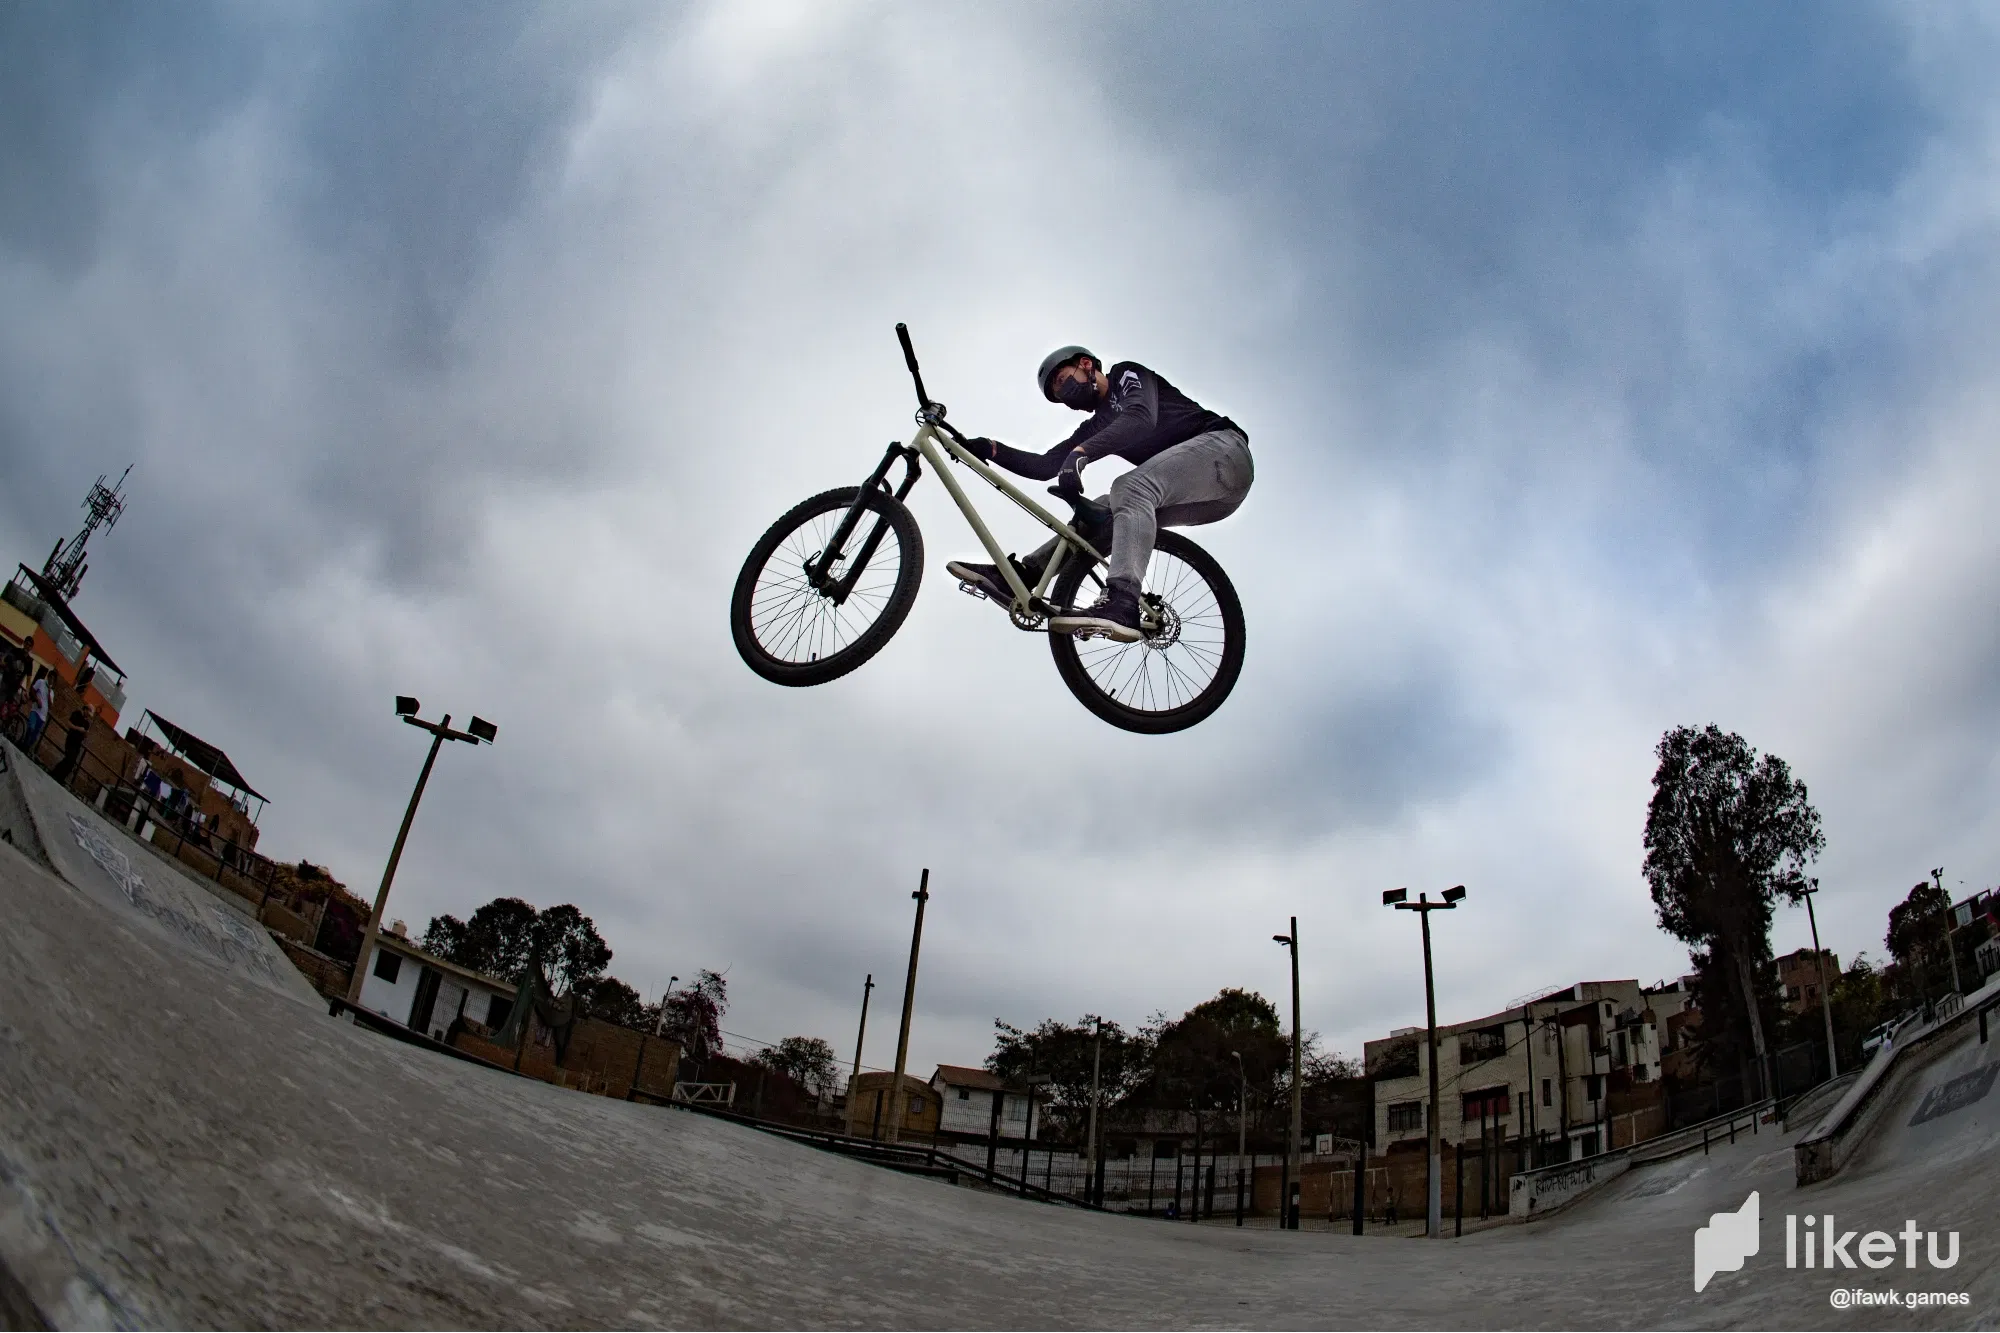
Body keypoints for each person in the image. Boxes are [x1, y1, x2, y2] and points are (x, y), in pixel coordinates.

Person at [945, 345, 1252, 642]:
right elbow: (1045, 465)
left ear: (1086, 364)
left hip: (1225, 455)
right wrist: (990, 448)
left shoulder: (1125, 376)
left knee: (1129, 487)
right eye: (1059, 396)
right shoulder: (1096, 425)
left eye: (1064, 381)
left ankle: (1122, 600)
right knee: (1103, 513)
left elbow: (1142, 417)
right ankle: (1027, 575)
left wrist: (1081, 453)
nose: (1065, 396)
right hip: (1207, 502)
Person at [50, 708, 91, 785]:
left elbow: (85, 736)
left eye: (89, 715)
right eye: (88, 713)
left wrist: (86, 733)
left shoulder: (87, 723)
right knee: (69, 758)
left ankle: (58, 775)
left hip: (78, 744)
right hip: (71, 741)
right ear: (85, 709)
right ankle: (57, 774)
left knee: (71, 762)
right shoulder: (77, 714)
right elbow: (68, 723)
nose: (88, 716)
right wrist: (78, 728)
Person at [23, 668, 51, 752]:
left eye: (53, 680)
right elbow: (33, 690)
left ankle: (26, 748)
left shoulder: (52, 692)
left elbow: (51, 705)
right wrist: (37, 699)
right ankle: (23, 744)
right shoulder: (41, 682)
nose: (51, 680)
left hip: (42, 716)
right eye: (51, 678)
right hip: (35, 711)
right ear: (48, 677)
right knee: (31, 728)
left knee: (35, 736)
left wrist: (49, 693)